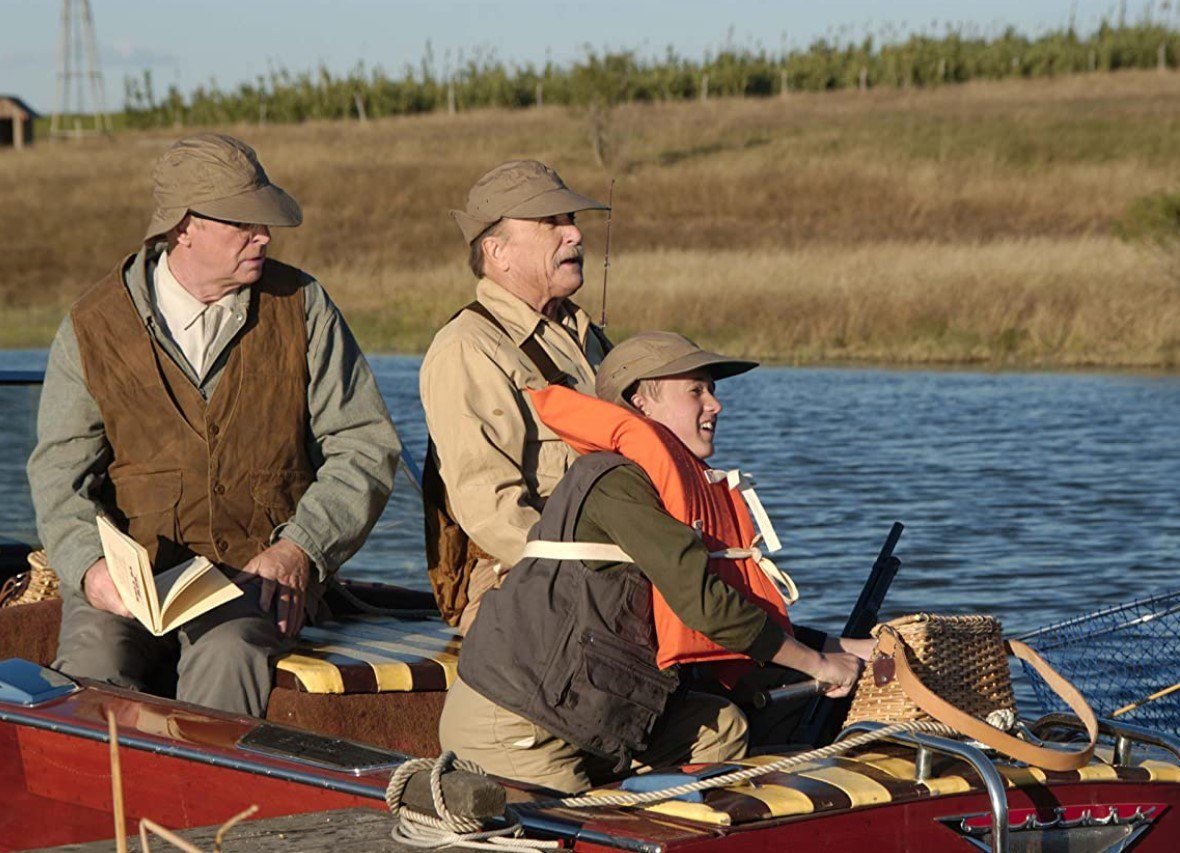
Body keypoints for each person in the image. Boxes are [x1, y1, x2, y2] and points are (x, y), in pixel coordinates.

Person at [27, 133, 401, 717]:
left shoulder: (303, 306)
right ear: (183, 229)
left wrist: (300, 549)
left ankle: (201, 809)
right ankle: (103, 806)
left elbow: (365, 446)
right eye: (244, 223)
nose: (265, 236)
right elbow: (58, 475)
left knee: (227, 653)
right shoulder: (91, 326)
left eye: (265, 222)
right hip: (130, 583)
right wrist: (90, 569)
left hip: (258, 580)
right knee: (95, 663)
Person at [440, 331, 873, 793]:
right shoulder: (616, 481)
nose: (715, 405)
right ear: (640, 402)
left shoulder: (664, 484)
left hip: (584, 705)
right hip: (521, 724)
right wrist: (819, 665)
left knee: (723, 729)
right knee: (571, 834)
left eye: (712, 390)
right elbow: (706, 609)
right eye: (696, 390)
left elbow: (732, 609)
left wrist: (842, 646)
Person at [420, 160, 611, 633]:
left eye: (572, 220)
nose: (574, 235)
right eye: (552, 223)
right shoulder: (467, 347)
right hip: (515, 581)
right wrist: (599, 571)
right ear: (497, 251)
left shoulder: (586, 337)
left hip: (609, 563)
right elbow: (492, 510)